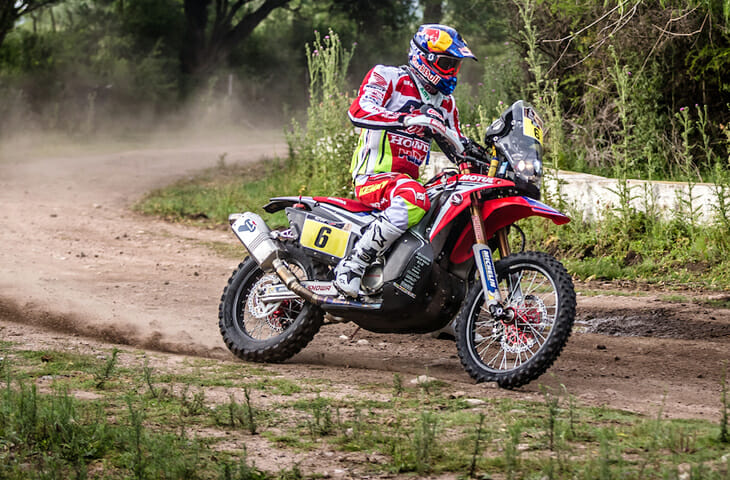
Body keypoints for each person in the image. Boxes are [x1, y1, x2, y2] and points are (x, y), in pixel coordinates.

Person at [334, 24, 476, 298]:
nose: (453, 72)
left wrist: (487, 158)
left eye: (456, 66)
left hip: (404, 184)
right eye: (448, 64)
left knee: (450, 206)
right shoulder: (389, 77)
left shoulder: (446, 103)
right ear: (425, 59)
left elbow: (459, 146)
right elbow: (359, 110)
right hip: (373, 178)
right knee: (414, 197)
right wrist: (406, 118)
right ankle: (353, 265)